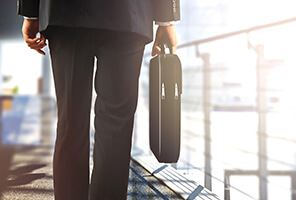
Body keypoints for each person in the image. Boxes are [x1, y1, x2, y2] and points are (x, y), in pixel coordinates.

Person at [17, 0, 180, 199]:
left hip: (64, 13)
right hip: (128, 14)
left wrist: (31, 12)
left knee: (71, 121)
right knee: (116, 124)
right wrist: (166, 19)